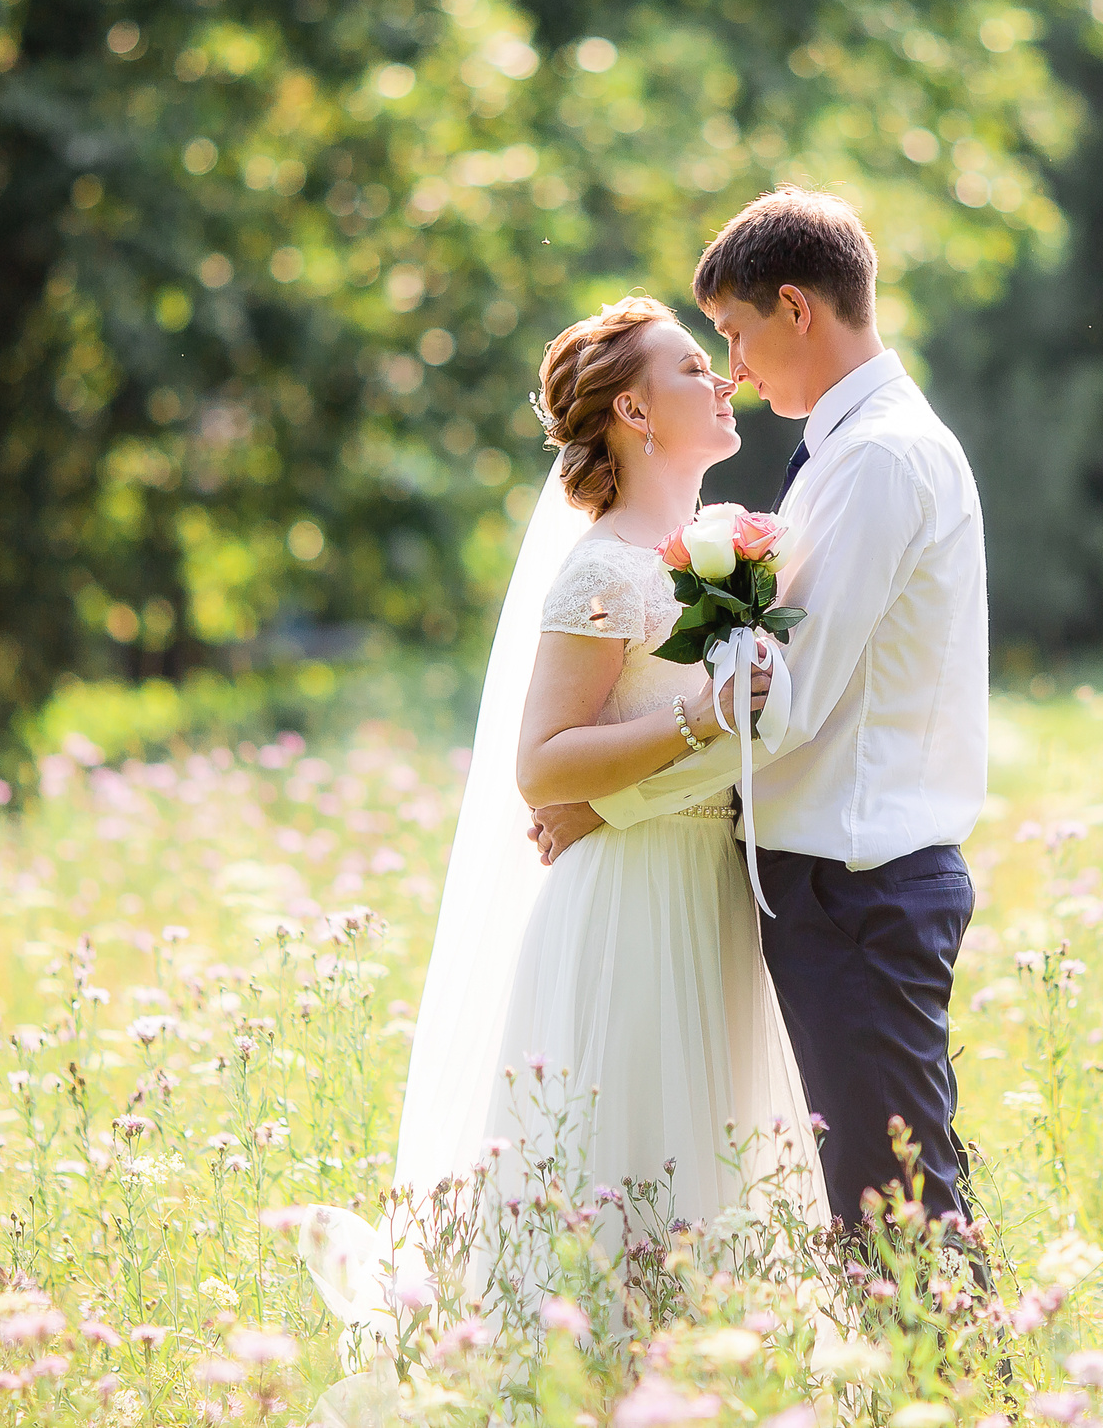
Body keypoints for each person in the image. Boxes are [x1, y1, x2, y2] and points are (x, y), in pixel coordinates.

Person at [297, 295, 821, 1363]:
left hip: (713, 897)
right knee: (617, 1197)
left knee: (713, 1194)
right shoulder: (602, 569)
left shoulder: (719, 554)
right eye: (689, 368)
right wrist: (699, 711)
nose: (721, 380)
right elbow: (540, 769)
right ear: (633, 408)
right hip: (623, 905)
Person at [532, 188, 989, 1238]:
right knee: (879, 1206)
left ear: (796, 307)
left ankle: (960, 1399)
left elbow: (776, 709)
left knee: (898, 1218)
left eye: (732, 335)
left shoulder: (873, 456)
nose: (731, 366)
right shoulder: (855, 447)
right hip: (833, 888)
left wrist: (610, 808)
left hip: (857, 888)